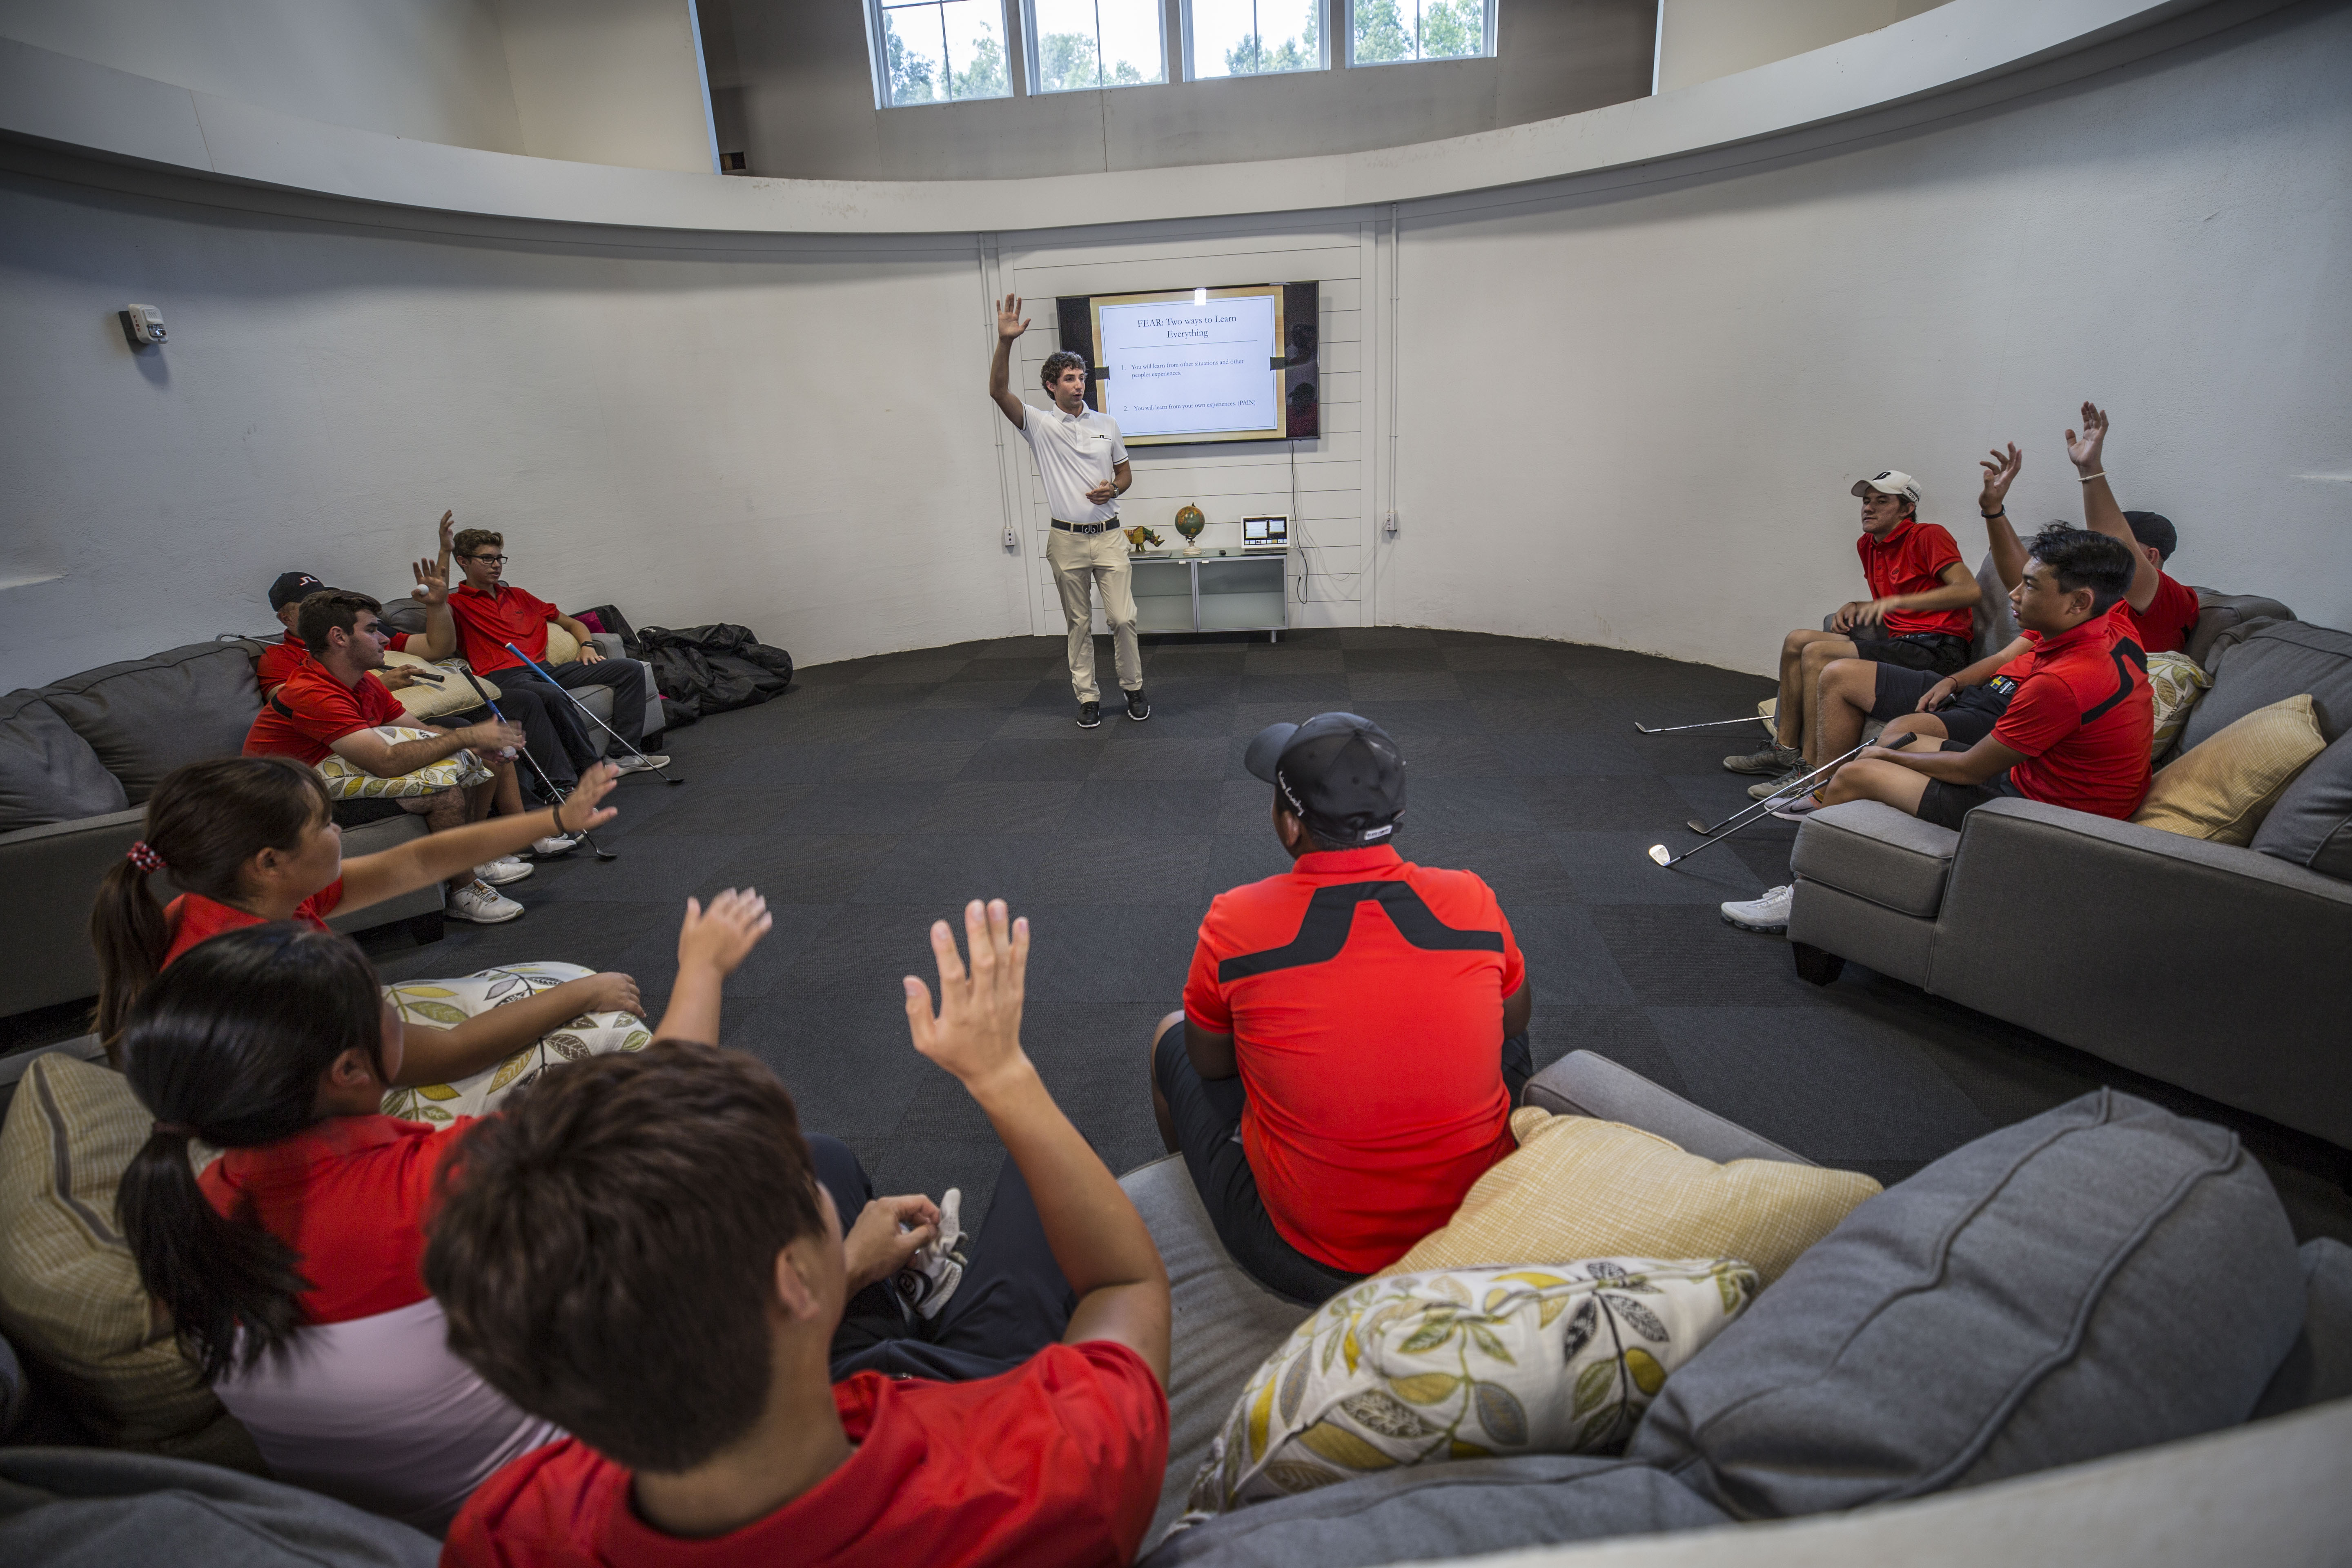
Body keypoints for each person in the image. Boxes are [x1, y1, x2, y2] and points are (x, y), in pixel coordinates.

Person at [431, 898, 1172, 1568]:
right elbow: (1125, 1285)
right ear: (792, 1282)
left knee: (829, 1157)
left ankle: (902, 1300)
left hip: (800, 1379)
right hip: (953, 1398)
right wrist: (1004, 1076)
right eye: (796, 1183)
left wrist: (845, 1268)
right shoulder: (1047, 1480)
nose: (808, 1183)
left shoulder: (506, 1530)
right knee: (1038, 1186)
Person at [110, 894, 754, 1532]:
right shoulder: (437, 1186)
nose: (399, 1015)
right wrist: (704, 968)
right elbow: (662, 1109)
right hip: (556, 1508)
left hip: (376, 1524)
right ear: (350, 1070)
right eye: (384, 1006)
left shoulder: (185, 1209)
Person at [1150, 713, 1532, 1304]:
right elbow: (1516, 1023)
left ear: (1289, 826)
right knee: (1500, 1009)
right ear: (1396, 816)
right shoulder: (1471, 898)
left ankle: (1207, 1199)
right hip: (1472, 1235)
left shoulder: (1236, 920)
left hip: (1308, 1260)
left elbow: (1210, 1063)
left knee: (1170, 1037)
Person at [89, 753, 628, 1088]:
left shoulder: (230, 899)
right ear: (269, 862)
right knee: (610, 1028)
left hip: (335, 1051)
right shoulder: (272, 978)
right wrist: (585, 994)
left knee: (567, 981)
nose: (338, 833)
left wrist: (555, 818)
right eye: (325, 824)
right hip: (325, 1116)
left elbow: (415, 863)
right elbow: (447, 1057)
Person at [243, 589, 533, 923]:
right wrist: (467, 737)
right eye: (371, 630)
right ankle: (464, 890)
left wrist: (475, 747)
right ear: (339, 637)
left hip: (330, 775)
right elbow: (385, 761)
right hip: (287, 803)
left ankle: (471, 858)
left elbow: (421, 731)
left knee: (472, 759)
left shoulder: (365, 683)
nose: (384, 639)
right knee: (441, 790)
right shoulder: (312, 693)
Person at [1727, 470, 1982, 799]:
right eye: (1866, 501)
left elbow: (1969, 591)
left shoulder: (1928, 535)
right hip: (1900, 644)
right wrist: (1858, 605)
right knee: (1797, 641)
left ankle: (1810, 772)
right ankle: (1785, 751)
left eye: (1882, 501)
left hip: (1937, 649)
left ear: (1907, 509)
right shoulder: (1868, 545)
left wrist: (1897, 602)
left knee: (1818, 654)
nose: (1869, 508)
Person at [988, 293, 1150, 730]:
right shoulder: (1039, 425)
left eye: (1081, 378)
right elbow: (998, 392)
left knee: (1123, 619)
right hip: (1066, 540)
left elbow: (1125, 475)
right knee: (1079, 623)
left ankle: (1133, 688)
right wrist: (1006, 342)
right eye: (1069, 379)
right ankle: (1088, 697)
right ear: (1051, 386)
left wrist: (1114, 487)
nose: (1079, 385)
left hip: (1110, 535)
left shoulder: (1107, 424)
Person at [437, 526, 667, 774]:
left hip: (545, 670)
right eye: (487, 559)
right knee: (552, 694)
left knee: (631, 669)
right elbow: (437, 592)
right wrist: (444, 551)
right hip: (507, 678)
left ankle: (623, 755)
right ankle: (591, 771)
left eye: (499, 558)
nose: (496, 565)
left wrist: (587, 646)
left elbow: (573, 624)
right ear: (463, 561)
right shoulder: (454, 603)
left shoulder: (519, 596)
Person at [1977, 403, 2201, 653]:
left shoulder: (2173, 602)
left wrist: (2090, 469)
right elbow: (2024, 582)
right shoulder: (2083, 599)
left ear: (2150, 556)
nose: (2099, 552)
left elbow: (2118, 545)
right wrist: (1993, 510)